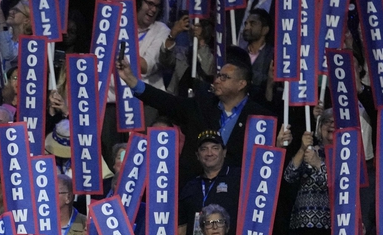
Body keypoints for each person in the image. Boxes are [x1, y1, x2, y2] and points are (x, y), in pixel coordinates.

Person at [116, 48, 274, 179]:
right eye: (218, 75)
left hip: (234, 193)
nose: (217, 80)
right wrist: (131, 80)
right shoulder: (201, 105)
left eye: (224, 77)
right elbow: (165, 101)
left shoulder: (258, 117)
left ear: (241, 84)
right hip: (195, 189)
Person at [176, 131, 240, 235]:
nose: (209, 153)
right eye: (204, 149)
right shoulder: (190, 186)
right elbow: (181, 225)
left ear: (224, 152)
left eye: (215, 148)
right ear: (197, 155)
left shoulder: (239, 178)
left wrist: (279, 147)